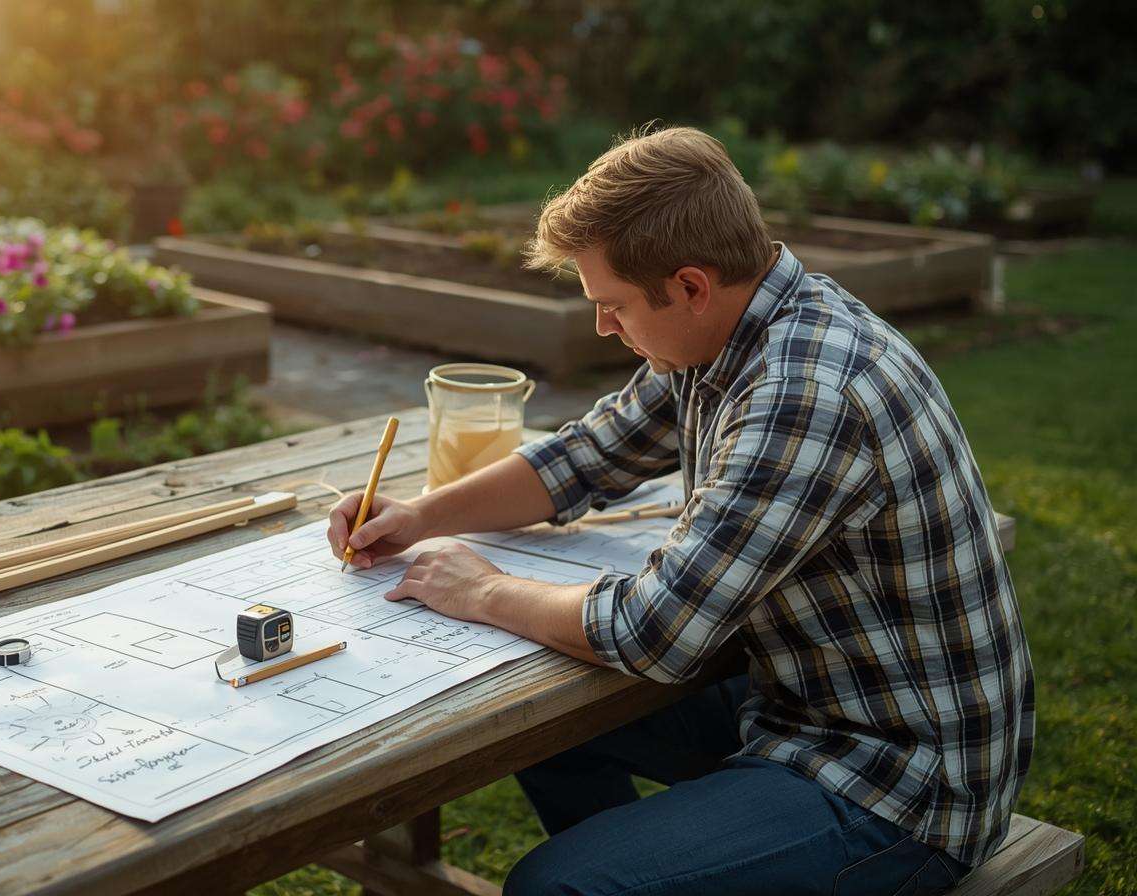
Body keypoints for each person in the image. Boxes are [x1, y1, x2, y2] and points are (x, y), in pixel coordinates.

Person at [325, 126, 1033, 895]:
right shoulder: (730, 332)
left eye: (614, 305)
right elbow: (588, 455)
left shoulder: (803, 393)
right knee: (532, 722)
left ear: (691, 285)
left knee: (553, 887)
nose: (603, 326)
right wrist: (421, 515)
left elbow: (654, 632)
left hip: (901, 783)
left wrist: (483, 591)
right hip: (805, 705)